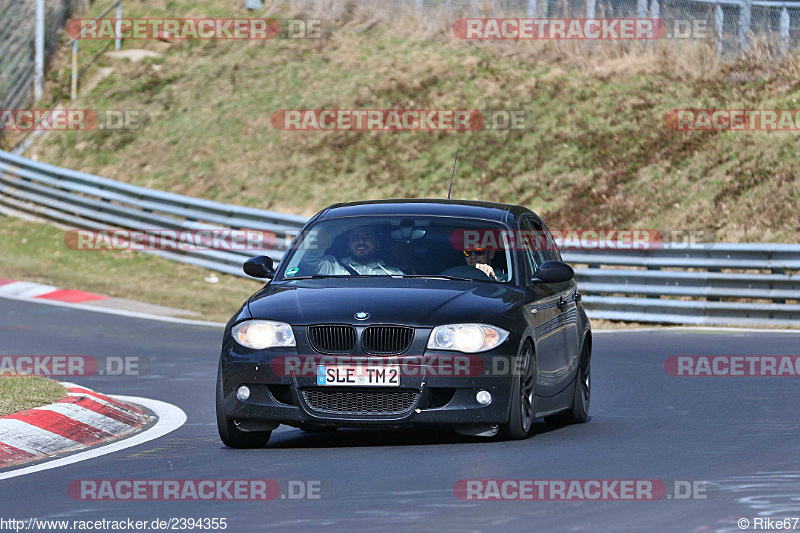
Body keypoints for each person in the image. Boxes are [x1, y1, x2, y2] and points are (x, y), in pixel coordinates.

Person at [300, 226, 404, 276]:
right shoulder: (331, 266)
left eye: (367, 237)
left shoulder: (394, 274)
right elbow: (307, 257)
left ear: (378, 245)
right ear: (348, 245)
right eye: (355, 237)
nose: (361, 241)